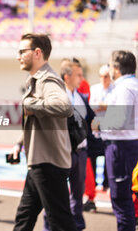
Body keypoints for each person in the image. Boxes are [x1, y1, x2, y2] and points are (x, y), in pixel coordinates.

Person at [12, 33, 76, 231]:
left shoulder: (47, 79)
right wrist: (19, 143)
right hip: (40, 161)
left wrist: (32, 104)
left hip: (49, 163)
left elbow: (65, 107)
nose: (18, 56)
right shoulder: (36, 79)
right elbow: (36, 119)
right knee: (24, 218)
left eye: (23, 51)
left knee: (61, 222)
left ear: (37, 52)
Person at [44, 58, 96, 231]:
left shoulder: (81, 97)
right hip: (61, 152)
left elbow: (91, 120)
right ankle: (50, 226)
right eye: (78, 74)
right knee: (55, 193)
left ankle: (76, 226)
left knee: (77, 193)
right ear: (67, 76)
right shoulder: (57, 96)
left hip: (80, 153)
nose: (82, 78)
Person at [92, 50, 138, 231]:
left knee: (120, 198)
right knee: (126, 197)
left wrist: (97, 124)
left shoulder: (124, 87)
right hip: (128, 145)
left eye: (111, 65)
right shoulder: (132, 85)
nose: (110, 69)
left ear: (117, 68)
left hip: (120, 148)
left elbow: (119, 121)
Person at [84, 64, 113, 212]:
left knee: (109, 159)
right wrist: (105, 107)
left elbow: (115, 109)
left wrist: (105, 107)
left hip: (109, 130)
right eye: (102, 76)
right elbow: (92, 107)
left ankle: (107, 184)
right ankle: (93, 186)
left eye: (107, 76)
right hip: (95, 129)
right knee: (92, 159)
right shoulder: (94, 88)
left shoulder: (115, 90)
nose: (104, 79)